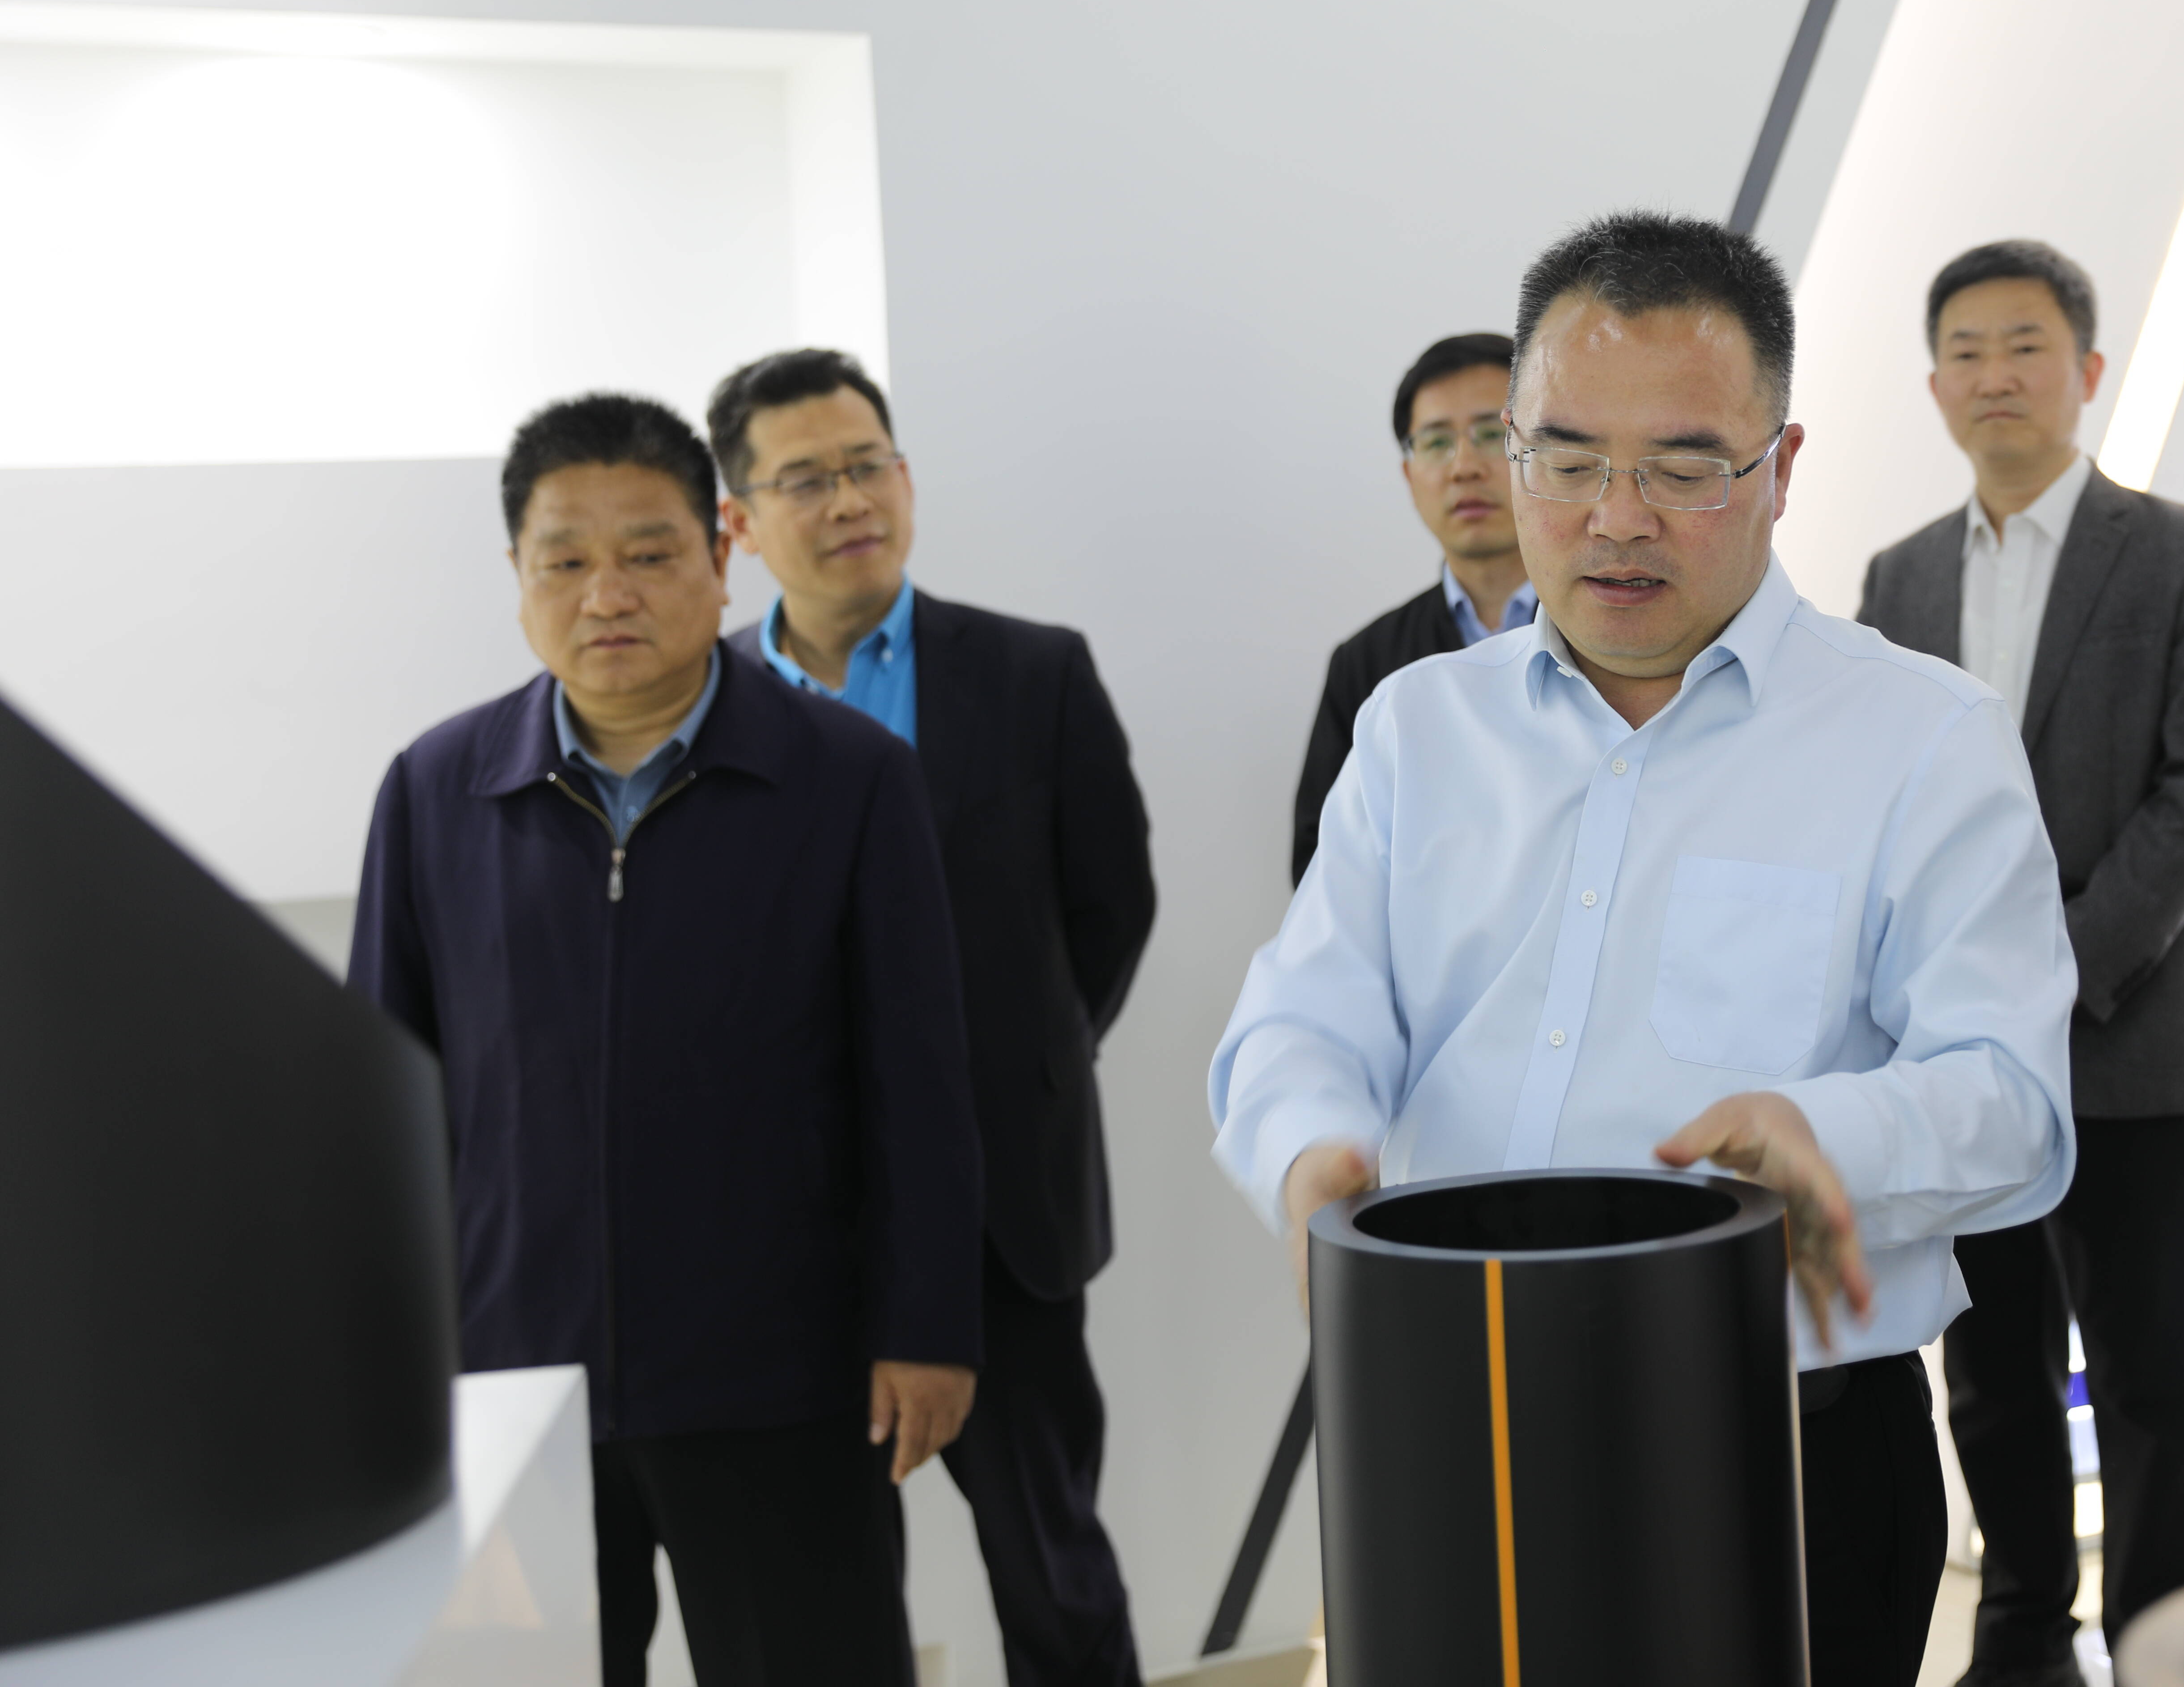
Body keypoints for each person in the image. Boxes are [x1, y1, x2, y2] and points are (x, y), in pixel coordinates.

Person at [1210, 210, 2078, 1687]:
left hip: (1780, 1449)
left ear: (1780, 469)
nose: (1616, 518)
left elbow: (2017, 1099)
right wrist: (1309, 1154)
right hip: (1447, 1419)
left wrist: (1827, 1131)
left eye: (1683, 468)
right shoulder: (1421, 728)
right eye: (1565, 460)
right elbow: (1303, 1016)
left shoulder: (1920, 738)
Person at [349, 394, 982, 1686]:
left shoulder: (850, 777)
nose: (607, 595)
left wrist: (928, 1322)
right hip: (515, 1380)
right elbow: (383, 1098)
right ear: (518, 576)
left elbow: (917, 1078)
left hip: (779, 1373)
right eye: (564, 562)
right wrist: (391, 1361)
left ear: (721, 552)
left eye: (648, 553)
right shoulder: (436, 789)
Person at [708, 348, 1157, 1687]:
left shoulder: (1031, 672)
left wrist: (1007, 1073)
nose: (850, 500)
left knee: (1052, 1567)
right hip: (778, 1231)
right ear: (739, 521)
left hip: (1001, 1217)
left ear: (903, 478)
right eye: (806, 479)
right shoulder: (705, 707)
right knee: (813, 1595)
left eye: (869, 466)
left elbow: (1109, 907)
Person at [1858, 240, 2184, 1685]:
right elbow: (1880, 802)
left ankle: (2159, 1648)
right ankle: (2023, 1638)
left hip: (2131, 1038)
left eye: (2024, 345)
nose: (1995, 375)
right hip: (1961, 1063)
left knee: (2155, 1383)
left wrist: (2053, 973)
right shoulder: (1899, 577)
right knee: (1991, 1375)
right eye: (1965, 351)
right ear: (1934, 387)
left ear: (2087, 371)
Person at [1291, 331, 1536, 881]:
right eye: (1436, 442)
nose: (1463, 467)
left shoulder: (1614, 627)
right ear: (1409, 474)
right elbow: (1323, 867)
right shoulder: (1366, 663)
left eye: (1491, 435)